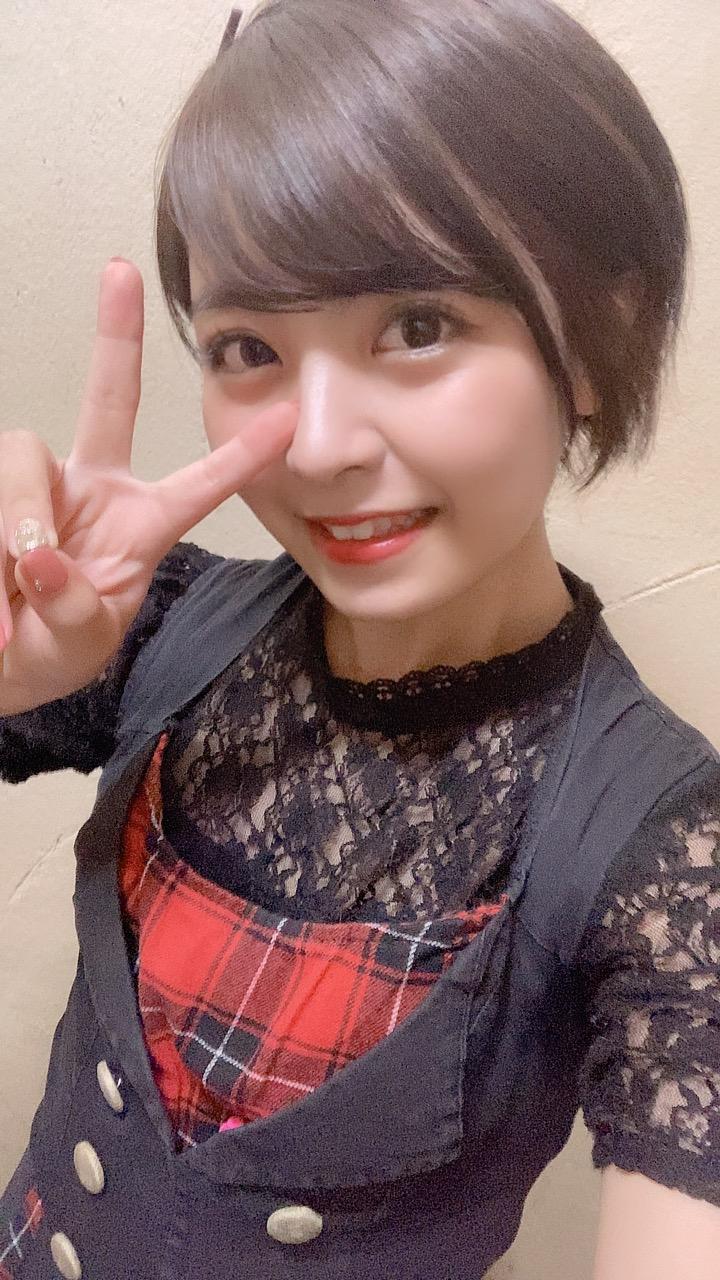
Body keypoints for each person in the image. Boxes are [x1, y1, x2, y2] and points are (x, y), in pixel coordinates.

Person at [0, 1, 718, 1277]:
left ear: (593, 337)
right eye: (249, 347)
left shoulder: (661, 842)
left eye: (419, 325)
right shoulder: (149, 622)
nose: (322, 446)